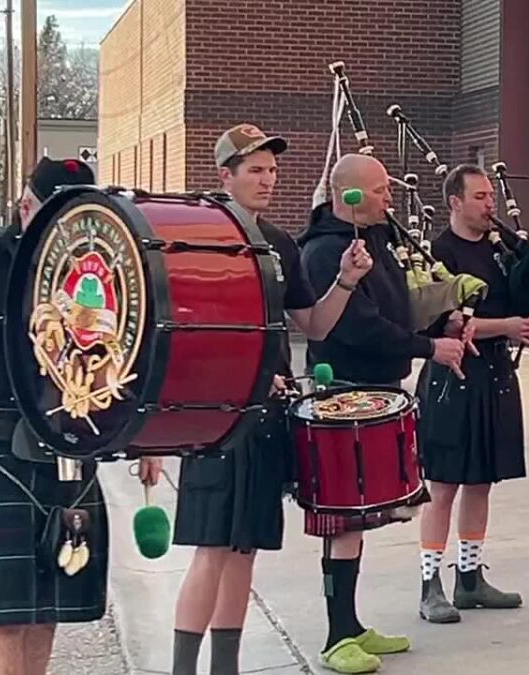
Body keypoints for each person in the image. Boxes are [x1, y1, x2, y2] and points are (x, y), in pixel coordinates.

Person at [168, 124, 373, 675]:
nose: (267, 179)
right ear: (225, 175)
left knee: (245, 550)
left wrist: (347, 282)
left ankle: (225, 668)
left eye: (273, 171)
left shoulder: (282, 244)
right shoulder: (200, 237)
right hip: (215, 419)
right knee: (211, 548)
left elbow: (315, 324)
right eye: (254, 170)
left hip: (267, 419)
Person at [0, 157, 148, 675]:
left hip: (67, 444)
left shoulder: (92, 271)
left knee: (46, 613)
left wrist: (144, 439)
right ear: (27, 208)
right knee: (4, 619)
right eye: (56, 212)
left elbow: (124, 353)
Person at [298, 152, 468, 673]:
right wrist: (427, 348)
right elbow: (359, 325)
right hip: (344, 394)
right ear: (345, 194)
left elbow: (398, 303)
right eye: (378, 190)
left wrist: (445, 313)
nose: (389, 198)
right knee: (342, 521)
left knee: (360, 520)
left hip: (377, 390)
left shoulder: (373, 242)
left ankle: (350, 625)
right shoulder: (328, 250)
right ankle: (334, 635)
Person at [415, 164, 529, 623]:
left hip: (496, 375)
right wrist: (506, 326)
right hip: (453, 377)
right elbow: (442, 321)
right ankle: (431, 586)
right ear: (455, 202)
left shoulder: (503, 245)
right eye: (480, 197)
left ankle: (469, 579)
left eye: (491, 196)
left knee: (482, 481)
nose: (490, 205)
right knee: (443, 485)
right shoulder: (439, 253)